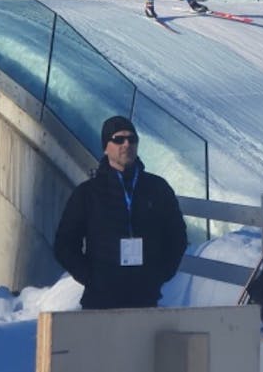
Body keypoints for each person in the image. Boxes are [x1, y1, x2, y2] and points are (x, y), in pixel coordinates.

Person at [53, 115, 189, 310]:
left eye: (132, 139)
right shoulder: (88, 193)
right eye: (118, 139)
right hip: (100, 303)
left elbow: (177, 237)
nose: (126, 144)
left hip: (146, 300)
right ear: (105, 147)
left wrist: (159, 275)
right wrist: (92, 278)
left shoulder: (157, 188)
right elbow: (64, 244)